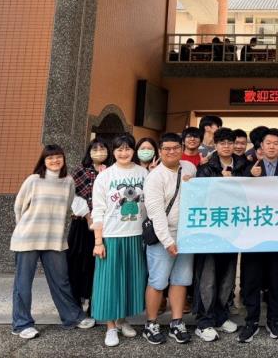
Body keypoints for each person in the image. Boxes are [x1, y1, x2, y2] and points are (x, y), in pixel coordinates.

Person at [11, 145, 96, 339]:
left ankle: (72, 317)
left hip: (55, 239)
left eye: (58, 157)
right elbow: (18, 207)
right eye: (50, 158)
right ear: (43, 161)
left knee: (61, 280)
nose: (55, 160)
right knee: (23, 283)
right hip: (28, 238)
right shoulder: (33, 180)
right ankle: (21, 324)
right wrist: (24, 228)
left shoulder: (68, 182)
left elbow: (69, 206)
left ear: (63, 159)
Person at [237, 128, 278, 343]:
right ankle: (251, 322)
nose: (272, 146)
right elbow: (236, 192)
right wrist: (249, 177)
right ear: (261, 146)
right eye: (268, 143)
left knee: (275, 279)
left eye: (276, 143)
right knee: (251, 279)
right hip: (253, 235)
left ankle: (274, 321)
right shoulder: (248, 168)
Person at [91, 133, 149, 347]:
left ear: (134, 150)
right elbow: (98, 209)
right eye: (119, 149)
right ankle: (110, 327)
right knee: (110, 282)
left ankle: (123, 320)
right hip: (111, 236)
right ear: (113, 152)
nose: (124, 153)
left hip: (136, 235)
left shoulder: (143, 173)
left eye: (127, 149)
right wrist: (98, 241)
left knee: (130, 281)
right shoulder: (105, 176)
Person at [142, 132, 195, 345]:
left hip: (187, 235)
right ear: (160, 151)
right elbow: (156, 213)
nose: (171, 151)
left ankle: (176, 322)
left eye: (175, 148)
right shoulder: (155, 177)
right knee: (157, 281)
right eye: (166, 149)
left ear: (181, 149)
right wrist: (168, 241)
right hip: (163, 237)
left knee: (181, 280)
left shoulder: (189, 168)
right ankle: (151, 324)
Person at [193, 128, 243, 341]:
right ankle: (204, 321)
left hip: (233, 231)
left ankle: (221, 316)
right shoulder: (206, 168)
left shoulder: (243, 167)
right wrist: (221, 183)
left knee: (227, 276)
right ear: (215, 145)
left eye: (230, 142)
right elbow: (199, 197)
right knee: (208, 276)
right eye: (222, 142)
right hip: (209, 231)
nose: (226, 146)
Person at [67, 139, 112, 311]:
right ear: (89, 151)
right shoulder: (80, 170)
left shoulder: (112, 171)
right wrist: (88, 216)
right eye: (95, 148)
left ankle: (95, 301)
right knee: (79, 263)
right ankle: (77, 301)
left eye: (102, 148)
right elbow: (73, 196)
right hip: (82, 225)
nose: (99, 151)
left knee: (98, 264)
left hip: (106, 224)